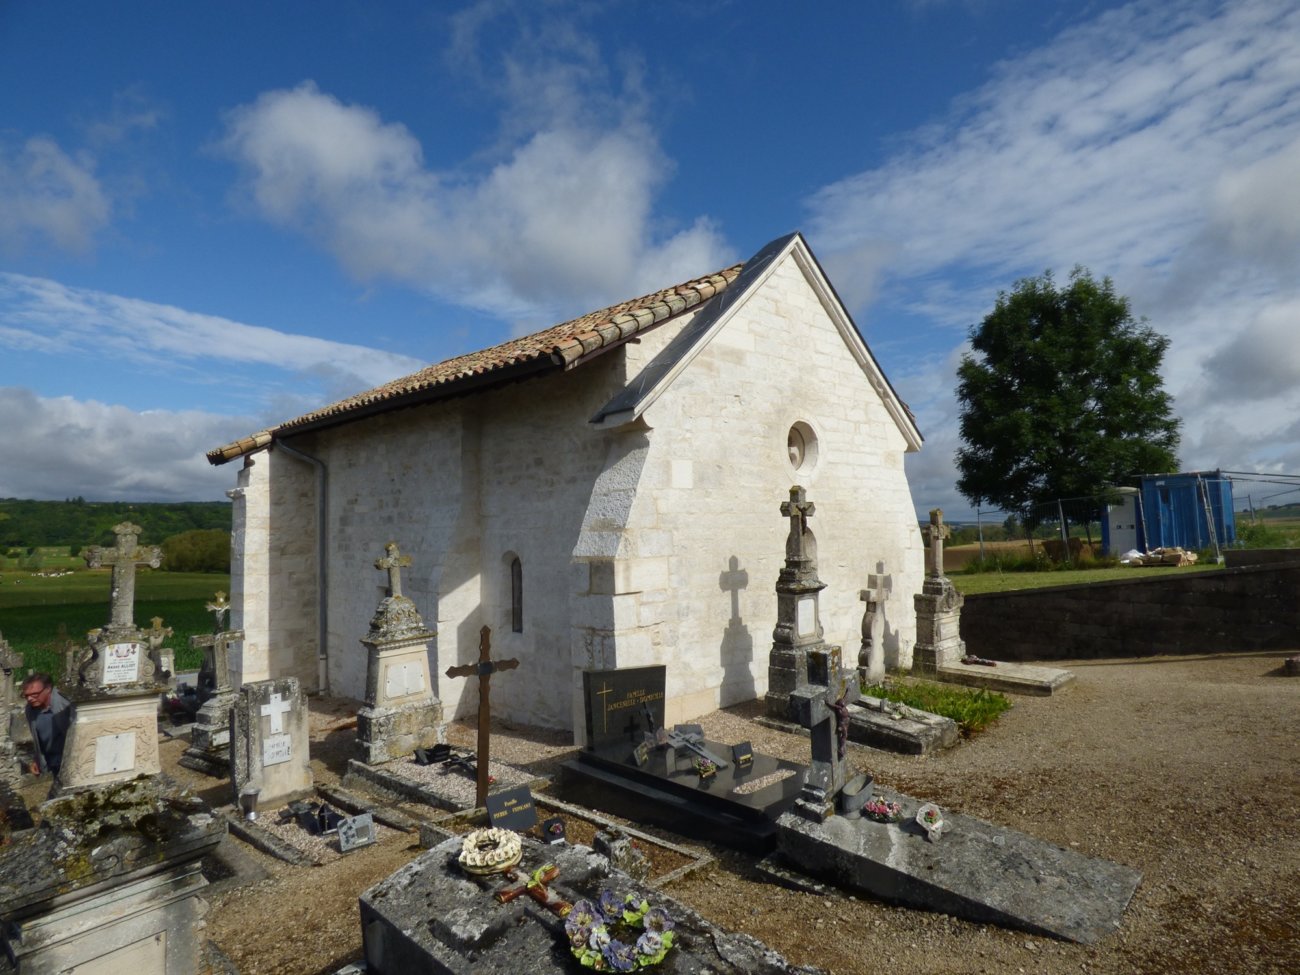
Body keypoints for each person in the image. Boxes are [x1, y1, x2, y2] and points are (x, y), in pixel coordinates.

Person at [22, 673, 72, 776]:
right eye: (26, 695)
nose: (29, 699)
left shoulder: (66, 704)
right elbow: (38, 738)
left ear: (48, 688)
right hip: (53, 762)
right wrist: (37, 759)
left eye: (34, 694)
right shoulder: (30, 709)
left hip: (69, 760)